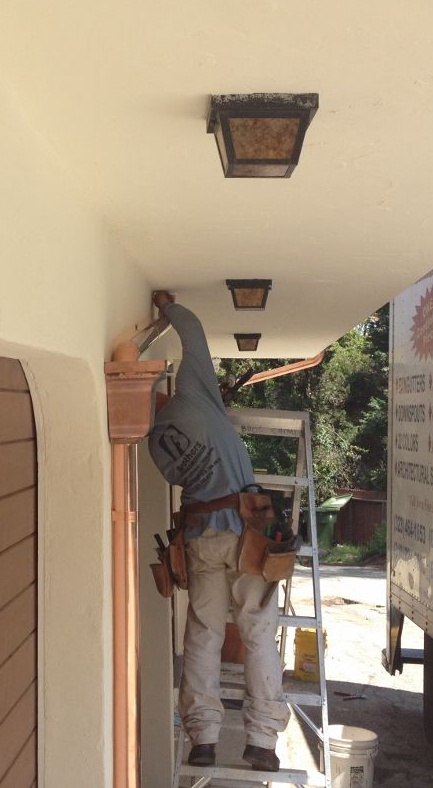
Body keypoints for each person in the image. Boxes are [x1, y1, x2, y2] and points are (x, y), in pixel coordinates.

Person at [148, 291, 288, 772]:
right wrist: (167, 305)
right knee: (258, 632)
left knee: (205, 634)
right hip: (246, 529)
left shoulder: (157, 442)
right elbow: (192, 332)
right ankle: (262, 742)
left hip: (201, 538)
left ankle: (203, 740)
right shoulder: (195, 395)